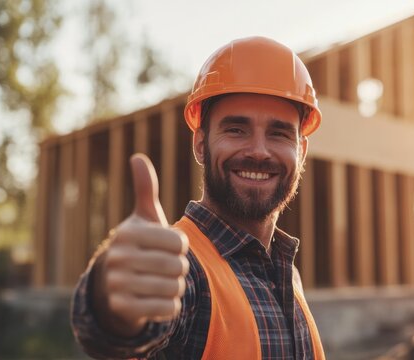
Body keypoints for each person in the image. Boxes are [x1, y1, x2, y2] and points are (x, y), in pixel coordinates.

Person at [71, 36, 325, 359]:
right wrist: (108, 297)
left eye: (279, 133)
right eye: (236, 129)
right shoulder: (183, 269)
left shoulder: (287, 275)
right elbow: (123, 328)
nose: (259, 151)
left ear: (300, 151)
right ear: (201, 144)